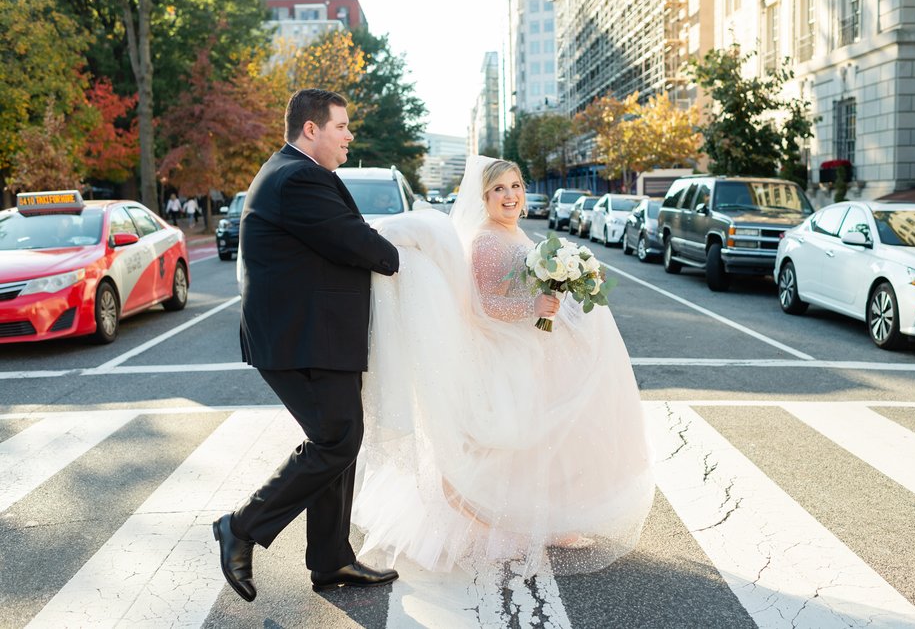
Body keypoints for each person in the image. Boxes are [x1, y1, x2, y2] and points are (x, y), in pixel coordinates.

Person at [353, 156, 654, 578]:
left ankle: (548, 517)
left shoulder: (513, 233)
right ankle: (503, 523)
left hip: (531, 351)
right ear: (485, 197)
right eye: (498, 190)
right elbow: (484, 306)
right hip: (506, 355)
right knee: (510, 442)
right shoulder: (488, 242)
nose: (509, 195)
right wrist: (533, 307)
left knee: (548, 439)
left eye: (515, 186)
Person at [212, 89, 401, 602]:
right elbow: (361, 244)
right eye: (341, 126)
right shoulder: (298, 178)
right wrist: (400, 252)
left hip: (315, 336)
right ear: (311, 129)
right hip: (303, 338)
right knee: (336, 439)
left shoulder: (298, 173)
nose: (349, 135)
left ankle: (331, 558)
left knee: (339, 438)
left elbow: (340, 241)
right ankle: (241, 527)